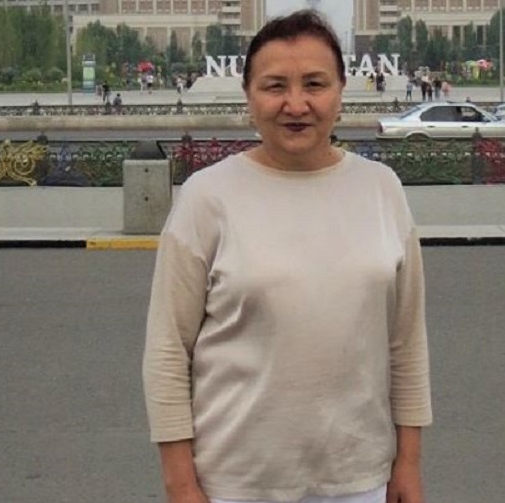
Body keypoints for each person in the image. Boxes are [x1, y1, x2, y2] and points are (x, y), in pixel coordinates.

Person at [142, 9, 432, 503]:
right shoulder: (207, 197)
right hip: (235, 482)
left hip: (359, 479)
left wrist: (408, 463)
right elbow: (168, 349)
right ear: (249, 96)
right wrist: (180, 482)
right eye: (275, 86)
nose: (296, 105)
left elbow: (406, 343)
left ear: (341, 91)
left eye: (314, 84)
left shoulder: (381, 189)